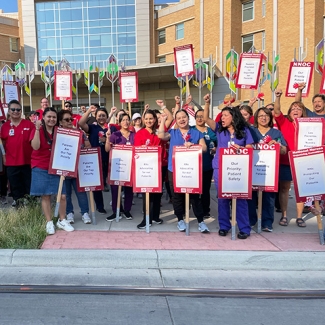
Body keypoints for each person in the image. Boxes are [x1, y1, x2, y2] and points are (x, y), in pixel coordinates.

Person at [203, 94, 254, 239]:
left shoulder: (244, 131)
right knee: (223, 198)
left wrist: (241, 149)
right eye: (222, 115)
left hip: (239, 169)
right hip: (220, 168)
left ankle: (244, 228)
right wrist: (207, 103)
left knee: (241, 198)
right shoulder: (219, 129)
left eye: (225, 115)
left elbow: (250, 148)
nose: (222, 118)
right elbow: (206, 119)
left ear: (233, 116)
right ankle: (224, 226)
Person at [158, 109, 210, 233]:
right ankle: (180, 219)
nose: (182, 120)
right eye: (179, 118)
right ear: (176, 120)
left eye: (184, 117)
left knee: (194, 196)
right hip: (174, 169)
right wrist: (164, 120)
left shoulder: (196, 133)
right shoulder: (173, 132)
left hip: (192, 169)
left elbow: (204, 148)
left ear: (188, 118)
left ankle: (200, 221)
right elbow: (161, 135)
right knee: (176, 196)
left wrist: (193, 145)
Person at [30, 107, 74, 234]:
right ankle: (49, 222)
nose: (51, 119)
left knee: (63, 195)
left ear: (57, 119)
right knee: (46, 195)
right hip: (41, 165)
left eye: (54, 117)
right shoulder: (36, 129)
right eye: (49, 116)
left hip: (57, 166)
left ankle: (62, 220)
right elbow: (35, 146)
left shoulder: (60, 131)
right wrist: (37, 129)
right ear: (43, 118)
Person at [248, 107, 287, 232]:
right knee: (251, 197)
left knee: (269, 197)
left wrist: (278, 145)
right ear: (256, 118)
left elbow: (284, 150)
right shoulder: (251, 131)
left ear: (270, 118)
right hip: (253, 170)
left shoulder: (276, 133)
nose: (263, 118)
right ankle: (251, 220)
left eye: (266, 115)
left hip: (269, 171)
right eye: (260, 116)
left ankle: (267, 223)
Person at [274, 89, 307, 227]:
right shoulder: (284, 121)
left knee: (301, 190)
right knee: (284, 188)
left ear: (302, 112)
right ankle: (284, 215)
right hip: (285, 161)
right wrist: (278, 97)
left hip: (302, 161)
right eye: (293, 108)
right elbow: (276, 111)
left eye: (298, 108)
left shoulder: (308, 124)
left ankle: (299, 217)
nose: (295, 109)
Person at [79, 106, 117, 213]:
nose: (101, 117)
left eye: (103, 116)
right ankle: (100, 206)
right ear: (95, 117)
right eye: (99, 115)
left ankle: (117, 205)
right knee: (97, 184)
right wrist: (88, 111)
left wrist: (107, 140)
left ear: (107, 117)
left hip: (110, 159)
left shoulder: (111, 128)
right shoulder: (92, 128)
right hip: (96, 159)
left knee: (113, 184)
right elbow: (81, 124)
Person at [57, 110, 91, 224]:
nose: (70, 121)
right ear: (60, 122)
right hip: (64, 168)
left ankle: (85, 212)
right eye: (66, 120)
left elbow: (88, 146)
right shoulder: (58, 134)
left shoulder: (79, 132)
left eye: (71, 119)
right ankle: (69, 213)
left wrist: (85, 144)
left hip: (78, 168)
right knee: (65, 194)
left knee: (81, 192)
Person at [134, 109, 166, 229]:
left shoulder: (159, 131)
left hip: (160, 166)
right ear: (143, 120)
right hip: (146, 168)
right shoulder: (140, 133)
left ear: (155, 119)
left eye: (151, 118)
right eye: (146, 119)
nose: (148, 121)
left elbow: (165, 137)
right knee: (147, 193)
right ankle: (146, 218)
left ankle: (155, 216)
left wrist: (163, 120)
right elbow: (136, 151)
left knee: (158, 193)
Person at [0, 100, 35, 206]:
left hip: (27, 162)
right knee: (15, 187)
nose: (16, 111)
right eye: (13, 109)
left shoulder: (29, 125)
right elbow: (2, 144)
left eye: (18, 109)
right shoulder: (4, 127)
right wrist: (4, 157)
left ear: (21, 111)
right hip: (11, 163)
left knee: (28, 187)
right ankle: (19, 206)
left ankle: (31, 208)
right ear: (9, 111)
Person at [105, 113, 135, 221]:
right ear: (120, 122)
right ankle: (116, 210)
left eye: (127, 120)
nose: (126, 122)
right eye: (123, 120)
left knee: (128, 189)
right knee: (115, 189)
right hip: (117, 167)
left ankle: (127, 210)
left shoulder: (133, 135)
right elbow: (107, 149)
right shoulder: (115, 135)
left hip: (129, 167)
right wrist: (108, 138)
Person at [192, 108, 217, 218]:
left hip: (207, 165)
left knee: (205, 189)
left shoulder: (211, 131)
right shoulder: (191, 130)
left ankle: (206, 210)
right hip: (193, 166)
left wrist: (216, 148)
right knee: (195, 189)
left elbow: (219, 143)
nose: (200, 118)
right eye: (198, 116)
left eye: (202, 116)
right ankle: (196, 211)